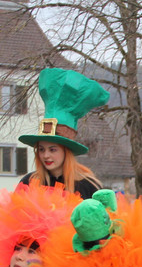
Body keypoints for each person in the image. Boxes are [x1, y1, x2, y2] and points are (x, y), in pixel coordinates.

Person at [18, 68, 108, 200]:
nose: (45, 155)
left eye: (52, 149)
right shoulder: (29, 183)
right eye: (41, 149)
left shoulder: (88, 186)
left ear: (66, 150)